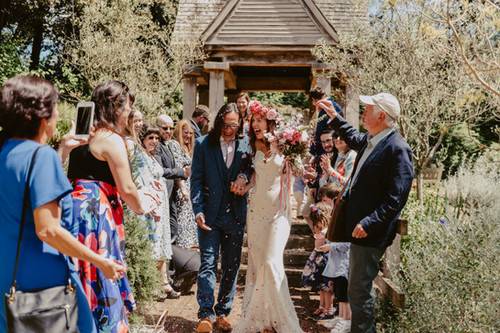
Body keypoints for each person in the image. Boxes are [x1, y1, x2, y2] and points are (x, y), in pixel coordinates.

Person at [0, 75, 125, 333]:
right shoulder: (40, 156)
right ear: (43, 117)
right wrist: (100, 261)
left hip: (8, 275)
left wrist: (63, 150)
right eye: (55, 107)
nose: (58, 113)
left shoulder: (6, 153)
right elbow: (48, 230)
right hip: (43, 282)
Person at [320, 93, 414, 333]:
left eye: (368, 108)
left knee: (359, 289)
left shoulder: (398, 149)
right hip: (358, 229)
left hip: (369, 232)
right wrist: (335, 117)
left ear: (381, 115)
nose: (363, 112)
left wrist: (370, 222)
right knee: (356, 288)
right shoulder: (373, 140)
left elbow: (396, 198)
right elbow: (352, 136)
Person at [68, 80, 144, 332]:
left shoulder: (81, 135)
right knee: (102, 271)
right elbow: (127, 188)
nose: (129, 114)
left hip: (74, 212)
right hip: (97, 214)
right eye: (127, 108)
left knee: (82, 271)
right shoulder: (110, 138)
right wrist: (143, 207)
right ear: (116, 107)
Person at [233, 105, 303, 333]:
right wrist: (244, 185)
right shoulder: (251, 145)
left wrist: (282, 150)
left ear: (270, 122)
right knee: (258, 266)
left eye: (260, 120)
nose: (255, 125)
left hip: (278, 213)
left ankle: (284, 323)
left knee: (272, 263)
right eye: (253, 121)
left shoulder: (286, 143)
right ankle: (262, 319)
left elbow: (300, 172)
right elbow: (255, 176)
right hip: (256, 212)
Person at [191, 103, 252, 333]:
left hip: (235, 215)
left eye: (234, 126)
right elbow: (195, 180)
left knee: (231, 265)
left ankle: (223, 312)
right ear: (218, 122)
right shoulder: (202, 144)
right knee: (207, 263)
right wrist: (197, 209)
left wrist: (244, 176)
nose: (229, 130)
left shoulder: (246, 144)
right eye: (226, 125)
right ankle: (206, 313)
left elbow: (251, 169)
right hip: (209, 214)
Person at [125, 117, 179, 299]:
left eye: (156, 138)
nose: (155, 142)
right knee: (151, 245)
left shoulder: (153, 157)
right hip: (147, 206)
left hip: (159, 204)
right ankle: (150, 287)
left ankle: (161, 283)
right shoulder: (137, 153)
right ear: (143, 139)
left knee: (160, 245)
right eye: (151, 138)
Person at [156, 115, 199, 295]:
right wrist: (182, 178)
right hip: (171, 193)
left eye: (169, 128)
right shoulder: (164, 146)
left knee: (174, 233)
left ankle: (175, 276)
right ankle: (170, 277)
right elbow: (163, 171)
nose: (167, 131)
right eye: (163, 128)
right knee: (175, 235)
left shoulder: (172, 146)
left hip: (175, 194)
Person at [301, 202, 332, 319]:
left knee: (327, 286)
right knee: (320, 285)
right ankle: (322, 306)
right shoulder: (319, 229)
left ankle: (329, 309)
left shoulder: (328, 230)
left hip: (326, 259)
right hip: (318, 258)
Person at [172, 119, 198, 249]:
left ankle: (191, 249)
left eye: (190, 133)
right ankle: (183, 249)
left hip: (192, 187)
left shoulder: (190, 148)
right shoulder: (176, 146)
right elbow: (178, 168)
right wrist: (182, 189)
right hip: (183, 188)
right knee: (183, 221)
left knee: (191, 222)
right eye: (185, 133)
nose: (188, 136)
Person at [309, 87, 343, 157]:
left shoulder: (328, 107)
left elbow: (323, 130)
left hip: (329, 147)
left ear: (314, 100)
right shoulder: (331, 106)